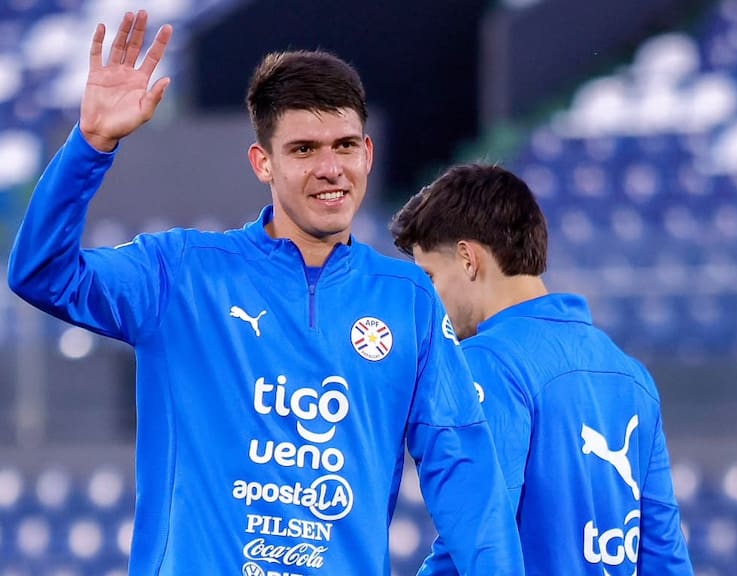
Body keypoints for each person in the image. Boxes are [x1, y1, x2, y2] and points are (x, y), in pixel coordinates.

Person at [7, 11, 525, 576]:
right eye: (304, 149)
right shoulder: (181, 272)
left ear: (368, 155)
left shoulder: (408, 301)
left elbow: (466, 477)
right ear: (263, 162)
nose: (331, 169)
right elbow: (42, 274)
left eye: (345, 145)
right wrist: (90, 145)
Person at [391, 163, 694, 576]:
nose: (426, 299)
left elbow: (479, 538)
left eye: (429, 277)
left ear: (467, 259)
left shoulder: (487, 360)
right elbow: (666, 559)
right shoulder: (632, 376)